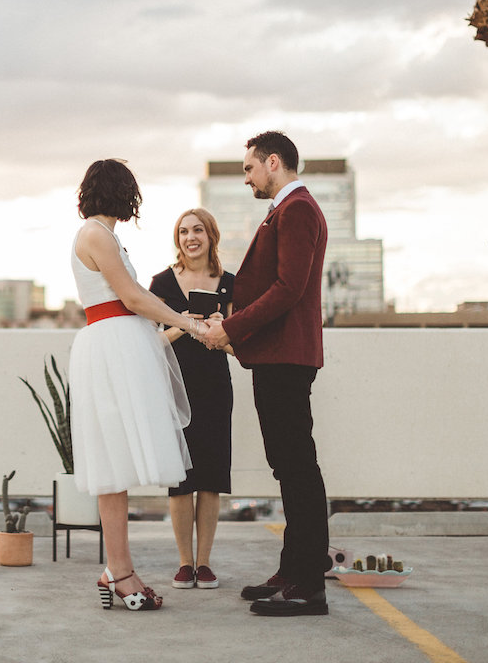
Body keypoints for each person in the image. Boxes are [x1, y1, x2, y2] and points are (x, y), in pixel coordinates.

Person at [69, 159, 210, 612]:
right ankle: (120, 571)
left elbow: (131, 298)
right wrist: (185, 321)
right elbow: (131, 297)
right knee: (113, 466)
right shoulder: (94, 233)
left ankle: (118, 568)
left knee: (117, 467)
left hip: (119, 345)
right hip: (113, 347)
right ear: (121, 192)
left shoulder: (103, 234)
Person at [203, 131, 330, 617]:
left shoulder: (296, 209)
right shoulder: (291, 208)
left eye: (250, 169)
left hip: (285, 357)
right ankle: (293, 571)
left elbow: (287, 289)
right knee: (289, 466)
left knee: (297, 469)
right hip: (280, 355)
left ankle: (308, 585)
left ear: (273, 162)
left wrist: (231, 329)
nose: (248, 178)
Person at [148, 208, 234, 591]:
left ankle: (205, 563)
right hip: (174, 386)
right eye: (183, 231)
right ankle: (185, 564)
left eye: (198, 230)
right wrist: (185, 324)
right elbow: (149, 342)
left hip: (216, 388)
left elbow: (238, 346)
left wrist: (219, 328)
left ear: (211, 235)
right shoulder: (162, 283)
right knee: (180, 480)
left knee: (211, 479)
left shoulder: (231, 283)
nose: (190, 237)